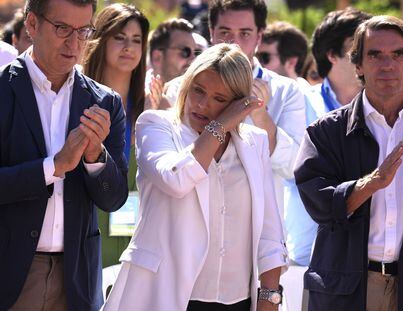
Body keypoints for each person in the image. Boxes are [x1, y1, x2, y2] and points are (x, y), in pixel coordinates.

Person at [103, 43, 288, 311]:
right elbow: (176, 180)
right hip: (165, 297)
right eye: (198, 90)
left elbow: (270, 229)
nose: (203, 104)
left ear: (238, 103)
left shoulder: (254, 142)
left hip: (238, 301)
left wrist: (270, 298)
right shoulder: (155, 125)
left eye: (219, 99)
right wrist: (218, 126)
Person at [0, 0, 129, 310]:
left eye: (83, 30)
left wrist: (95, 157)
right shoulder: (3, 91)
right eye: (62, 29)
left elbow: (114, 199)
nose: (74, 43)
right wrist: (53, 167)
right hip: (9, 273)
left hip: (77, 278)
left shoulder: (104, 102)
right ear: (32, 24)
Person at [294, 15, 403, 310]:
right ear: (357, 64)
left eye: (398, 54)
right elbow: (318, 203)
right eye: (375, 54)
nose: (387, 64)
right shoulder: (326, 132)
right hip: (351, 290)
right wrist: (372, 183)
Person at [208, 0, 306, 221]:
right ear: (211, 32)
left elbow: (293, 167)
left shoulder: (286, 91)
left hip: (260, 228)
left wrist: (260, 115)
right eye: (225, 32)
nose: (233, 42)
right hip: (200, 225)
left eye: (245, 33)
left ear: (259, 37)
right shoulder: (182, 89)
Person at [82, 3, 149, 268]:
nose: (128, 47)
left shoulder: (152, 107)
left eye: (136, 40)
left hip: (137, 239)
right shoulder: (78, 98)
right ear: (100, 41)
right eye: (119, 38)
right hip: (86, 228)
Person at [257, 20, 317, 267]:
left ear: (291, 62)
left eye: (265, 56)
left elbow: (298, 170)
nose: (258, 64)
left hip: (298, 244)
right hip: (286, 242)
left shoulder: (306, 101)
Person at [310, 7, 371, 118]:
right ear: (332, 55)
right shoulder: (304, 103)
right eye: (358, 43)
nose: (371, 52)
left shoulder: (391, 103)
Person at [147, 18, 198, 86]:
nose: (193, 59)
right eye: (185, 51)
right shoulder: (134, 92)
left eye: (196, 53)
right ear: (157, 57)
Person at [256, 21, 308, 88]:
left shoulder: (308, 97)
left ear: (291, 62)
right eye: (255, 56)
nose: (256, 62)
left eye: (264, 57)